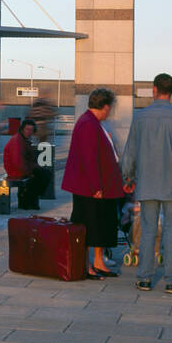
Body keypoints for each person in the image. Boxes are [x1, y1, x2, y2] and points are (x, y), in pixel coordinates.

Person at [121, 72, 172, 294]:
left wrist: (128, 177)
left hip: (146, 184)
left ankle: (144, 278)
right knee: (171, 232)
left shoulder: (141, 117)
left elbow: (131, 150)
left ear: (154, 90)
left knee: (147, 231)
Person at [62, 87, 125, 278]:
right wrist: (95, 186)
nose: (111, 111)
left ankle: (98, 262)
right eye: (110, 107)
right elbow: (90, 158)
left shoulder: (93, 123)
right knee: (89, 224)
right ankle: (85, 265)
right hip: (89, 188)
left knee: (101, 223)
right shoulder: (88, 124)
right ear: (105, 106)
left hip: (98, 186)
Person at [3, 117, 50, 207]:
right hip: (15, 170)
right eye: (27, 129)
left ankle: (31, 197)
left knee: (44, 173)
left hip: (22, 167)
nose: (29, 132)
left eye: (31, 130)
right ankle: (28, 197)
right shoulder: (17, 141)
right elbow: (17, 162)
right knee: (43, 174)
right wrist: (29, 172)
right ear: (22, 129)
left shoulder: (24, 139)